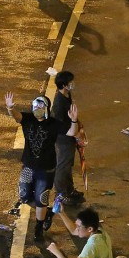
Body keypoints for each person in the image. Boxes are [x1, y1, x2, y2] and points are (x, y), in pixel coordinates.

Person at [6, 91, 79, 241]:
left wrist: (74, 120)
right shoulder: (27, 119)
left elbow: (72, 132)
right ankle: (48, 212)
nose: (37, 109)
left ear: (46, 108)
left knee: (41, 199)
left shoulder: (53, 124)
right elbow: (16, 116)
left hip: (46, 170)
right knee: (24, 196)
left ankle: (38, 228)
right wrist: (10, 108)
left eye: (40, 106)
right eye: (35, 106)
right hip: (28, 166)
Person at [51, 70, 84, 205]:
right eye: (70, 82)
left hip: (70, 134)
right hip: (63, 138)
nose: (73, 84)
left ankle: (69, 190)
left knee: (68, 165)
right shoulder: (59, 103)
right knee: (63, 166)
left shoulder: (67, 94)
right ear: (64, 85)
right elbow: (60, 125)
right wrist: (76, 135)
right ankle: (61, 194)